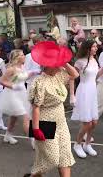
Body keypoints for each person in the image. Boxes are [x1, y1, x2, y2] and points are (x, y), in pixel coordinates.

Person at [25, 41, 78, 177]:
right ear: (48, 64)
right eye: (56, 62)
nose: (59, 64)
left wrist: (65, 62)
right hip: (44, 123)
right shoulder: (39, 82)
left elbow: (75, 75)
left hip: (60, 121)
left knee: (65, 156)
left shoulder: (60, 74)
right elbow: (36, 107)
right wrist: (36, 129)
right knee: (52, 159)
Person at [71, 40, 103, 158]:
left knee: (94, 122)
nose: (96, 48)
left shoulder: (94, 60)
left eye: (96, 46)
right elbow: (72, 77)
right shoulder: (79, 62)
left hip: (93, 91)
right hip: (83, 92)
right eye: (93, 47)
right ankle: (77, 144)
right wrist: (72, 95)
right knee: (87, 123)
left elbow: (96, 76)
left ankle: (87, 144)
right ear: (87, 48)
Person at [0, 50, 37, 145]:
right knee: (26, 117)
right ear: (17, 57)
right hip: (13, 95)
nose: (24, 56)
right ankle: (34, 142)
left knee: (14, 117)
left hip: (22, 93)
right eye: (22, 55)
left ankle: (7, 135)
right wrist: (13, 86)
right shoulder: (11, 69)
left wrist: (32, 73)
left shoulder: (22, 66)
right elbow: (2, 81)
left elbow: (23, 77)